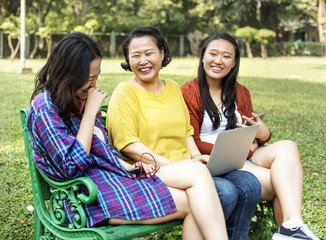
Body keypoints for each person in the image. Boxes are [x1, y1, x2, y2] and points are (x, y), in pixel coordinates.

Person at [27, 32, 228, 240]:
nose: (94, 84)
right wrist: (89, 113)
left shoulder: (78, 98)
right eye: (89, 79)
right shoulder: (45, 106)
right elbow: (70, 167)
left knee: (197, 172)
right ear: (68, 75)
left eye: (96, 76)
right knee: (195, 204)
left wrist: (132, 167)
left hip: (115, 178)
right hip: (85, 195)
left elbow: (103, 153)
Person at [107, 26, 261, 240]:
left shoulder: (171, 87)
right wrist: (172, 165)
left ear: (162, 53)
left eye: (149, 53)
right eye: (136, 55)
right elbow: (128, 145)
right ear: (128, 60)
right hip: (157, 170)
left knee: (249, 184)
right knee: (224, 191)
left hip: (189, 166)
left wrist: (195, 157)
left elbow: (187, 131)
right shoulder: (125, 91)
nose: (143, 60)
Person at [180, 32, 320, 240]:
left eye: (226, 56)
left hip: (242, 156)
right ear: (202, 57)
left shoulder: (241, 92)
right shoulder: (188, 92)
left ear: (234, 62)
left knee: (288, 146)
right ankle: (289, 232)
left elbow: (251, 133)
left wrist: (264, 134)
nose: (218, 61)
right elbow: (193, 139)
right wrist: (247, 149)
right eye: (213, 54)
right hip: (213, 161)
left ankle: (292, 226)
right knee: (282, 184)